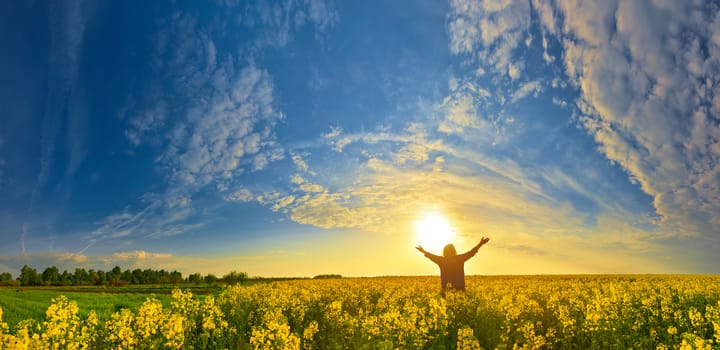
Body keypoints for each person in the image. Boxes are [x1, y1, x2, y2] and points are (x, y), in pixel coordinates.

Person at [416, 237, 490, 292]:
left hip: (446, 290)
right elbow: (471, 253)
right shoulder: (459, 259)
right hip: (460, 289)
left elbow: (431, 256)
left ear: (444, 251)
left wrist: (423, 251)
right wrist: (480, 244)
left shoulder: (441, 260)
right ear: (454, 251)